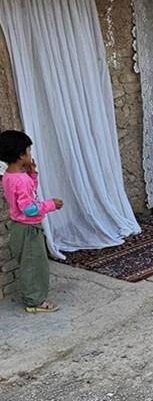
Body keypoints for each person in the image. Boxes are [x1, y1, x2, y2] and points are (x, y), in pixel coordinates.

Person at [1, 130, 63, 313]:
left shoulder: (9, 177)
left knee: (28, 262)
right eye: (28, 151)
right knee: (35, 265)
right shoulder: (22, 181)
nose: (30, 155)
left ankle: (32, 295)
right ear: (21, 155)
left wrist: (32, 175)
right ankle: (34, 301)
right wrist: (52, 204)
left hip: (18, 227)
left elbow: (27, 196)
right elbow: (29, 209)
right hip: (29, 229)